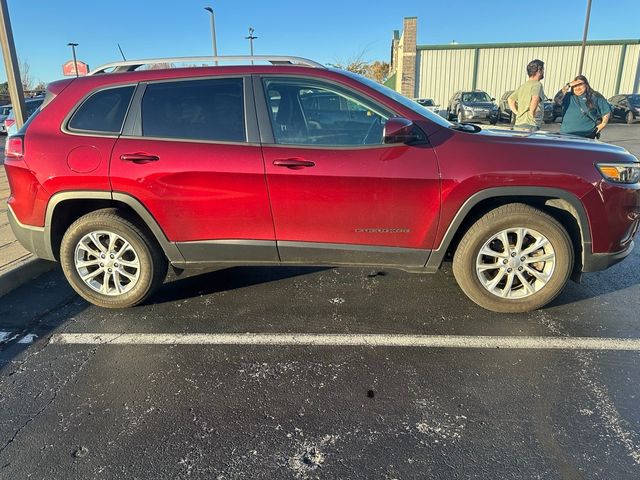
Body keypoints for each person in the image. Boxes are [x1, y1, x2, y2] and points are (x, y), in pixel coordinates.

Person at [508, 59, 546, 131]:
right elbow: (535, 98)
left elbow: (510, 99)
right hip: (530, 125)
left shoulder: (523, 86)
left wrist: (517, 113)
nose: (543, 72)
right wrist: (532, 115)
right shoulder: (537, 84)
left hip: (519, 123)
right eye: (543, 69)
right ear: (539, 70)